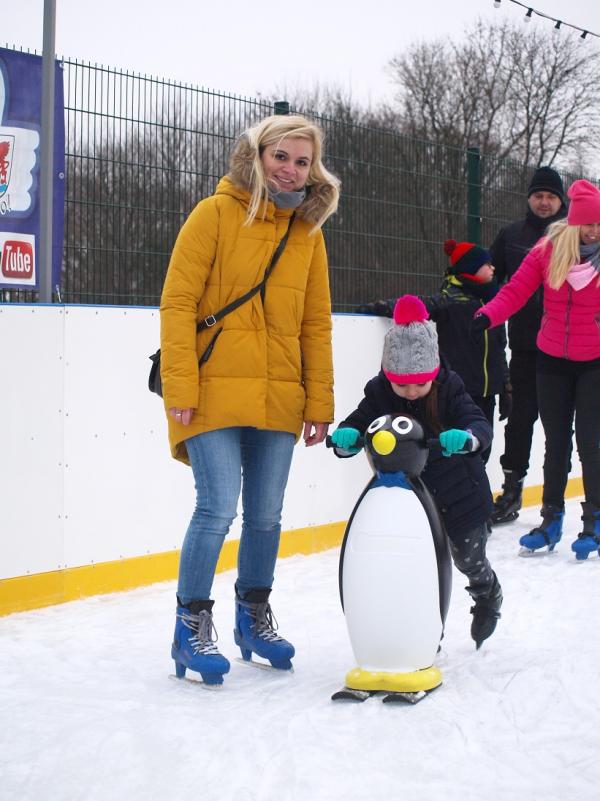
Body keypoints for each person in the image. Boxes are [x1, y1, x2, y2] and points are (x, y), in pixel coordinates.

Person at [159, 113, 340, 684]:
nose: (289, 169)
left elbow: (316, 323)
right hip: (212, 388)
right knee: (217, 509)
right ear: (257, 155)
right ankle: (190, 627)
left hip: (281, 394)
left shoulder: (309, 234)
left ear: (314, 170)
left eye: (301, 161)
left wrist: (318, 402)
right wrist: (180, 386)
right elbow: (177, 304)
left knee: (266, 516)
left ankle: (252, 617)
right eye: (280, 156)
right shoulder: (214, 214)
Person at [331, 295, 503, 648]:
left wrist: (468, 438)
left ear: (433, 373)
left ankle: (487, 593)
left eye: (419, 384)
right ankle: (425, 633)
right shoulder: (379, 393)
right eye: (401, 385)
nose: (410, 391)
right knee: (417, 568)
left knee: (468, 559)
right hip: (409, 502)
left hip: (460, 496)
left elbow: (478, 424)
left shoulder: (450, 388)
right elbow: (357, 424)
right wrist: (345, 439)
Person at [472, 179, 600, 559]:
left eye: (599, 224)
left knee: (591, 443)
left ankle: (593, 520)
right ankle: (550, 519)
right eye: (588, 224)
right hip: (551, 360)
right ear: (574, 223)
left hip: (595, 360)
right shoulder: (548, 251)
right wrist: (487, 316)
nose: (593, 231)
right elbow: (514, 290)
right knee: (555, 442)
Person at [354, 241, 511, 464]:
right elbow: (417, 306)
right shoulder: (450, 300)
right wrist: (377, 307)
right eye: (487, 264)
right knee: (455, 451)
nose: (493, 268)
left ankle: (475, 482)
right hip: (461, 388)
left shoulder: (494, 300)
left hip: (488, 390)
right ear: (471, 268)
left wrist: (505, 385)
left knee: (481, 444)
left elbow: (499, 346)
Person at [489, 166, 567, 525]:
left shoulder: (575, 237)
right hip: (523, 347)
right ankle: (512, 490)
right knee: (519, 420)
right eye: (539, 195)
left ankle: (557, 498)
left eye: (551, 196)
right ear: (529, 199)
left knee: (560, 425)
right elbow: (490, 281)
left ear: (561, 201)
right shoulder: (511, 236)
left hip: (568, 349)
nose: (545, 202)